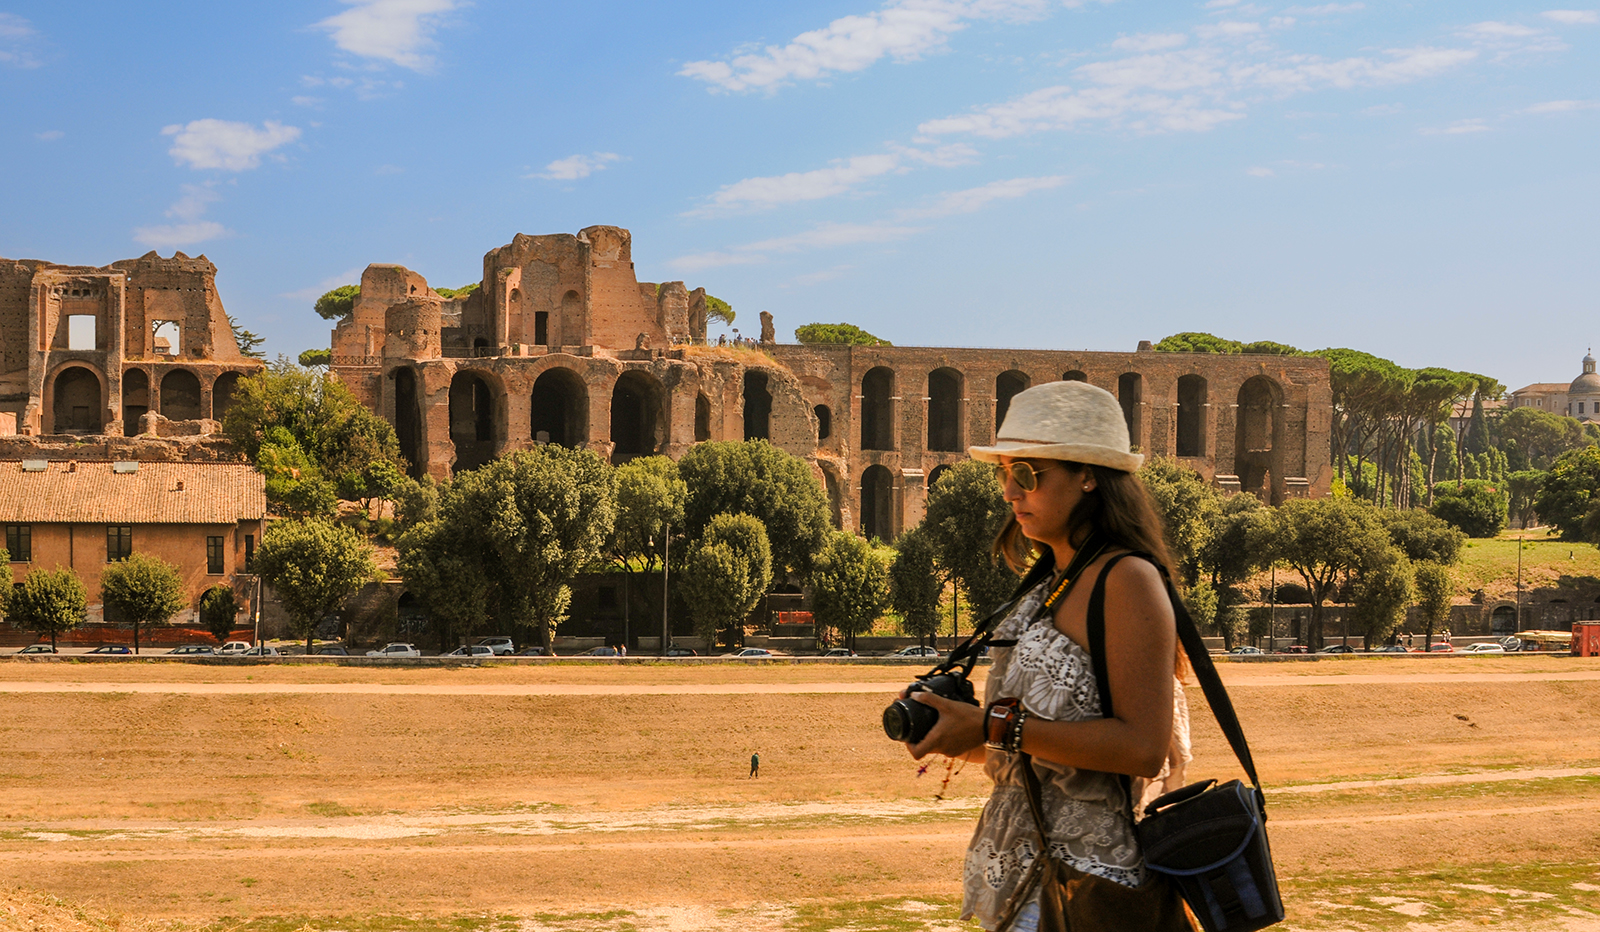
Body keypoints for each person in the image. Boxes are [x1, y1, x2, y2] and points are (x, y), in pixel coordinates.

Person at [901, 380, 1194, 931]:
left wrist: (993, 726)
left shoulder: (1125, 578)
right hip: (1026, 884)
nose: (1010, 492)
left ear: (1088, 475)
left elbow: (1143, 748)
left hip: (1088, 884)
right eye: (1004, 473)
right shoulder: (1048, 582)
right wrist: (958, 733)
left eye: (1027, 475)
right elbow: (1035, 758)